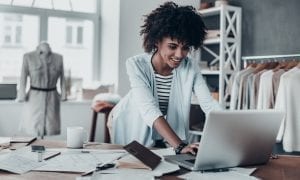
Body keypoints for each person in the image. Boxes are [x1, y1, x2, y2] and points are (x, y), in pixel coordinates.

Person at [108, 2, 222, 154]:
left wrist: (230, 128)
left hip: (158, 129)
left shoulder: (190, 66)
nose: (180, 54)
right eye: (173, 46)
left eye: (186, 47)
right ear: (157, 41)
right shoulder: (136, 65)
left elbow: (209, 104)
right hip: (128, 120)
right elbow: (150, 110)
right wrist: (180, 146)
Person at [17, 42, 66, 138]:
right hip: (34, 98)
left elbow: (63, 79)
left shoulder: (58, 58)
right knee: (34, 126)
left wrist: (64, 95)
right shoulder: (28, 57)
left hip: (52, 96)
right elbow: (23, 78)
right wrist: (21, 95)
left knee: (49, 126)